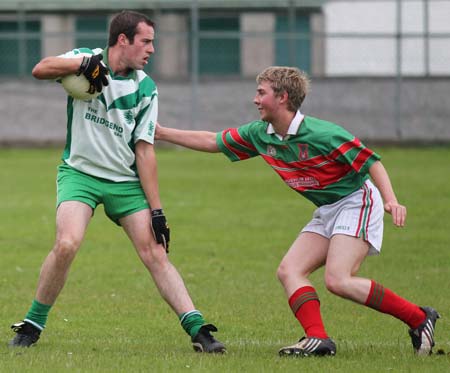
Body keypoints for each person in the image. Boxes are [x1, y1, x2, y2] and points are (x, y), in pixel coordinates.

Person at [155, 66, 439, 357]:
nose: (255, 99)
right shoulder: (260, 134)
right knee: (290, 270)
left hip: (357, 201)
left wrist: (391, 200)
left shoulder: (322, 133)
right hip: (328, 208)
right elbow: (212, 141)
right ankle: (318, 339)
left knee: (338, 280)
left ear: (283, 97)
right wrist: (162, 133)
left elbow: (371, 162)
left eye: (261, 93)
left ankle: (419, 319)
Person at [9, 10, 225, 354]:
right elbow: (40, 69)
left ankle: (200, 330)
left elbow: (144, 150)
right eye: (146, 41)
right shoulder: (87, 58)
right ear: (122, 40)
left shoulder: (146, 88)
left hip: (124, 182)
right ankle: (32, 325)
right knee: (67, 243)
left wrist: (157, 211)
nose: (152, 49)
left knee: (155, 253)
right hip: (80, 174)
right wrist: (80, 66)